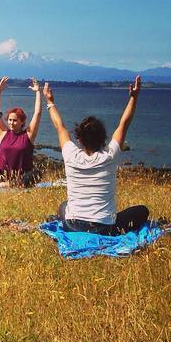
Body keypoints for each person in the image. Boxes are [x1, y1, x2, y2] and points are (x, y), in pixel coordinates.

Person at [44, 77, 150, 235]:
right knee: (142, 211)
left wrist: (50, 102)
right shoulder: (110, 155)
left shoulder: (70, 154)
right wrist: (134, 97)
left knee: (63, 206)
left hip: (72, 226)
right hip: (105, 229)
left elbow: (60, 127)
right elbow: (124, 124)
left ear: (79, 140)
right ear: (103, 139)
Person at [0, 77, 43, 186]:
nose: (11, 123)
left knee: (37, 174)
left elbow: (37, 114)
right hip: (2, 176)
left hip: (22, 178)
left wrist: (38, 92)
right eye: (10, 120)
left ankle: (8, 184)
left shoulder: (28, 135)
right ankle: (2, 182)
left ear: (22, 122)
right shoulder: (3, 133)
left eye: (15, 120)